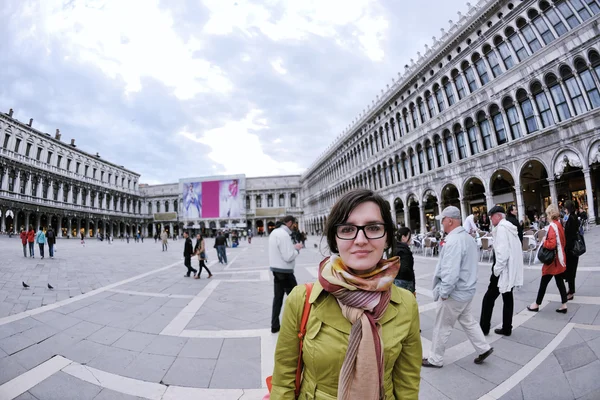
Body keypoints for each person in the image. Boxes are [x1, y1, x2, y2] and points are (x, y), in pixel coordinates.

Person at [271, 189, 421, 399]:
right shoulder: (302, 300)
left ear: (387, 238)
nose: (360, 239)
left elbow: (407, 386)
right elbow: (283, 381)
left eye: (374, 227)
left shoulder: (406, 304)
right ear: (335, 239)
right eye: (348, 229)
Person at [423, 206, 493, 368]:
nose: (441, 223)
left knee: (442, 326)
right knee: (468, 320)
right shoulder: (467, 238)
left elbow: (451, 271)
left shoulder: (454, 241)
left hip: (454, 293)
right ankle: (483, 348)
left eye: (443, 220)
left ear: (450, 220)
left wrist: (445, 292)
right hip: (466, 290)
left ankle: (435, 359)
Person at [479, 206, 524, 336]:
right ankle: (507, 327)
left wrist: (496, 270)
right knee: (507, 297)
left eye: (491, 216)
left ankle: (484, 327)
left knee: (488, 298)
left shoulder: (502, 229)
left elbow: (502, 253)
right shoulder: (508, 227)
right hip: (509, 269)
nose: (490, 219)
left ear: (498, 216)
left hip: (502, 269)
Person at [527, 204, 568, 313]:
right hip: (558, 258)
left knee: (544, 281)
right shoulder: (559, 224)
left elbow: (551, 244)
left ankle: (536, 304)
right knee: (559, 282)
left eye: (547, 214)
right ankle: (564, 305)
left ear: (550, 214)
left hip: (552, 261)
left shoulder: (552, 226)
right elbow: (563, 241)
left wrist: (544, 241)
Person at [269, 215, 304, 334]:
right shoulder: (284, 235)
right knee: (296, 299)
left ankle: (275, 325)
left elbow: (280, 250)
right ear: (289, 222)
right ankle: (299, 325)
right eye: (294, 224)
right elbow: (288, 256)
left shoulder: (274, 232)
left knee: (278, 298)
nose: (294, 226)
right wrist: (297, 250)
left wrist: (292, 247)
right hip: (285, 271)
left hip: (276, 269)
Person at [563, 200, 580, 301]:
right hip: (572, 248)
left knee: (570, 271)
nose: (564, 210)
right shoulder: (573, 217)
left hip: (571, 249)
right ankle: (570, 289)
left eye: (565, 208)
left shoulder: (571, 219)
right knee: (571, 270)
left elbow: (569, 234)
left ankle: (571, 291)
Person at [394, 226, 415, 294]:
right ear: (403, 237)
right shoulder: (404, 250)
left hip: (396, 279)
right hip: (404, 282)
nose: (410, 239)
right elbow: (405, 269)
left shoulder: (395, 247)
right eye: (409, 236)